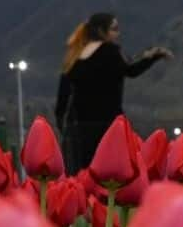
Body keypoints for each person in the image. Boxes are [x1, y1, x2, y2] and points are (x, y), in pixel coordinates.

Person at [55, 13, 172, 172]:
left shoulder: (75, 55)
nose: (118, 34)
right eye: (114, 29)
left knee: (83, 175)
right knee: (110, 174)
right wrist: (154, 56)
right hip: (108, 125)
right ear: (101, 31)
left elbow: (62, 97)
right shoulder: (110, 51)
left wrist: (63, 126)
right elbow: (131, 70)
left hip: (79, 128)